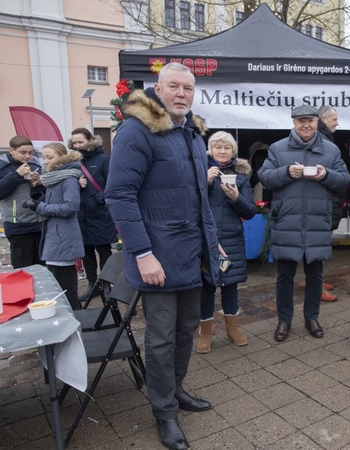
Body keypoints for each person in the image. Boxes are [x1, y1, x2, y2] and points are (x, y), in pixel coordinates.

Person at [105, 62, 222, 450]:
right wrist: (142, 253)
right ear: (158, 87)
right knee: (160, 340)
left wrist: (212, 241)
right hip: (156, 257)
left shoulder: (189, 131)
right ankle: (164, 413)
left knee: (187, 330)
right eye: (174, 86)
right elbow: (119, 195)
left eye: (188, 88)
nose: (182, 94)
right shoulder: (137, 131)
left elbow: (199, 196)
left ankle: (175, 392)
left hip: (191, 254)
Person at [258, 104, 350, 342]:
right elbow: (265, 177)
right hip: (287, 221)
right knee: (284, 276)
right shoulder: (278, 149)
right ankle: (284, 320)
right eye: (301, 121)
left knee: (315, 275)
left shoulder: (330, 150)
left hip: (317, 221)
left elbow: (345, 181)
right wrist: (287, 172)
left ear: (317, 121)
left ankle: (311, 317)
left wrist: (325, 175)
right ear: (294, 123)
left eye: (310, 120)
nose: (306, 125)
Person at [196, 131, 256, 353]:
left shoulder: (241, 178)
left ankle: (233, 329)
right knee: (206, 286)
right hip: (206, 242)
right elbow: (189, 205)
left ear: (234, 151)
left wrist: (235, 197)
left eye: (227, 147)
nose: (222, 151)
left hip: (230, 241)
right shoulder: (200, 173)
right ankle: (205, 333)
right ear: (210, 150)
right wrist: (205, 182)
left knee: (230, 285)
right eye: (218, 147)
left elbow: (250, 212)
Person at [22, 142, 83, 310]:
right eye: (43, 157)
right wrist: (36, 193)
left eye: (50, 157)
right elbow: (53, 201)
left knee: (66, 287)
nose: (45, 161)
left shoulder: (68, 178)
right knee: (58, 284)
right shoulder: (54, 177)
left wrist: (39, 207)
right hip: (55, 235)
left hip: (62, 238)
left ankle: (76, 320)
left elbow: (71, 207)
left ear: (61, 158)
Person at [68, 128, 117, 301]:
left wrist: (99, 198)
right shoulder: (73, 162)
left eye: (80, 141)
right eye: (74, 142)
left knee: (104, 251)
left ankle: (107, 286)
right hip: (81, 216)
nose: (77, 145)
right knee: (87, 252)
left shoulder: (104, 160)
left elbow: (112, 184)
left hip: (100, 215)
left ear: (90, 140)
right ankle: (92, 285)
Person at [0, 136, 44, 269]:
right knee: (23, 268)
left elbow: (43, 195)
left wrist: (39, 184)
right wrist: (16, 175)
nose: (27, 156)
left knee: (41, 267)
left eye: (30, 153)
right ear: (11, 150)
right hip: (17, 224)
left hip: (38, 222)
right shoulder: (3, 167)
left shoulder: (35, 166)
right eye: (23, 152)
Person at [317, 104, 342, 303]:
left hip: (327, 201)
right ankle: (316, 285)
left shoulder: (325, 138)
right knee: (319, 244)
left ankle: (317, 280)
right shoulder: (323, 140)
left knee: (321, 243)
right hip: (323, 202)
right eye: (334, 119)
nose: (337, 123)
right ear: (323, 119)